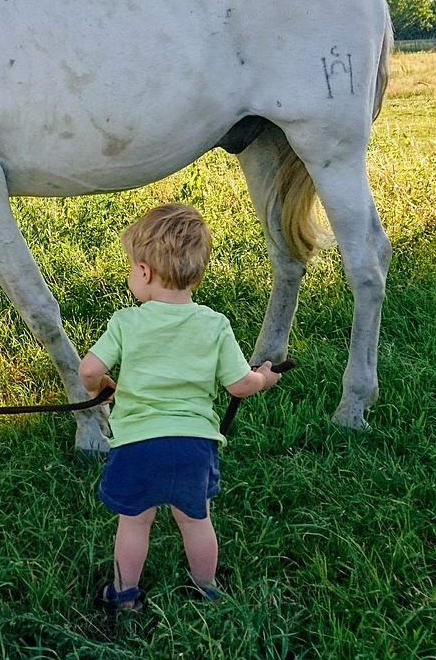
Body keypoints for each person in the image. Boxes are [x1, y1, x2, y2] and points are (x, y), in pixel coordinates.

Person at [80, 202, 283, 612]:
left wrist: (102, 387)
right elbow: (240, 385)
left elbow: (88, 369)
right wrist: (265, 376)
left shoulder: (125, 322)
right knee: (196, 521)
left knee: (135, 522)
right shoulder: (215, 324)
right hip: (193, 444)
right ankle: (207, 589)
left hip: (137, 444)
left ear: (145, 272)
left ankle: (124, 596)